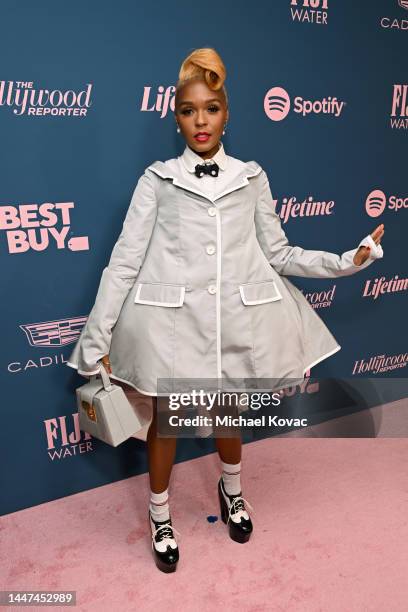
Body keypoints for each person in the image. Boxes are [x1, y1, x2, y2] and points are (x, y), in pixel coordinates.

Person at [67, 47, 385, 573]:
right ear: (177, 118)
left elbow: (279, 253)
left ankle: (232, 491)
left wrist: (349, 260)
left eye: (210, 108)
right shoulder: (157, 179)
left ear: (227, 114)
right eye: (189, 110)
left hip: (233, 326)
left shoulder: (250, 177)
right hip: (172, 331)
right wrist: (96, 341)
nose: (200, 120)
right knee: (166, 425)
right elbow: (122, 263)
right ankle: (160, 514)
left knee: (228, 414)